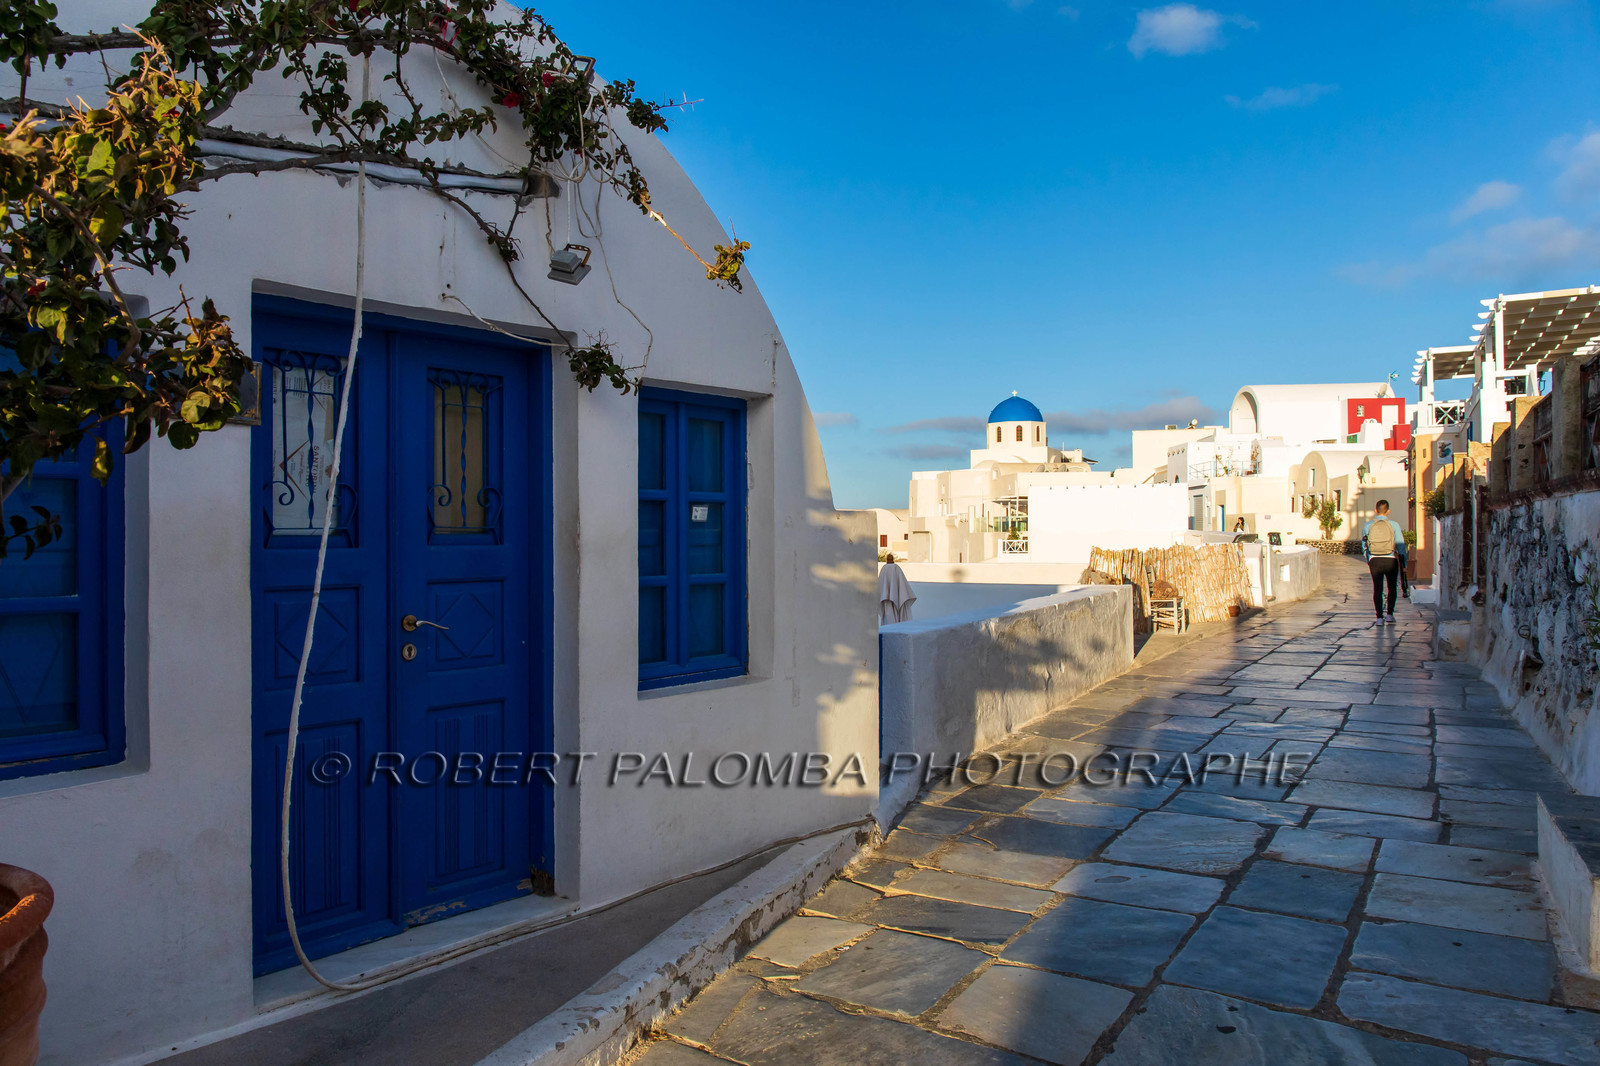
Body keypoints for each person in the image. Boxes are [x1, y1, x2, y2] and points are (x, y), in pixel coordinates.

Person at [1362, 500, 1405, 625]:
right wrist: (1404, 563)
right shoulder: (1394, 525)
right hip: (1390, 559)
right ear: (1388, 511)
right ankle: (1390, 614)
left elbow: (1364, 545)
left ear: (1376, 510)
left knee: (1378, 588)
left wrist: (1368, 558)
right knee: (1392, 587)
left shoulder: (1368, 525)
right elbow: (1400, 545)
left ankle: (1379, 617)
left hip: (1375, 559)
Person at [878, 553, 916, 625]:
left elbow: (881, 585)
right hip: (889, 601)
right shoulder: (895, 568)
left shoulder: (886, 569)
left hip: (888, 600)